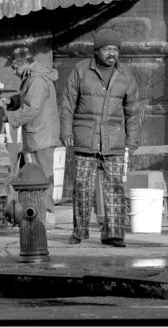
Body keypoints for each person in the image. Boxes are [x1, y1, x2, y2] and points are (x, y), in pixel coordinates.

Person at [60, 28, 142, 248]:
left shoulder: (126, 75)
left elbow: (133, 110)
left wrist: (132, 141)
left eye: (115, 49)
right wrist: (66, 131)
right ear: (96, 51)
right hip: (85, 139)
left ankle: (114, 234)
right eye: (107, 49)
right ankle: (79, 231)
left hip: (114, 141)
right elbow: (68, 103)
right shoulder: (80, 71)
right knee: (82, 187)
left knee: (115, 188)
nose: (112, 53)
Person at [0, 46, 60, 225]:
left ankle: (46, 215)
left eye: (15, 67)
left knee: (43, 177)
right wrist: (12, 101)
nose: (14, 71)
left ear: (24, 63)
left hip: (41, 136)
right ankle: (40, 214)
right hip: (38, 135)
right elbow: (28, 99)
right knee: (37, 177)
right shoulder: (32, 78)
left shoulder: (37, 79)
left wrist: (10, 118)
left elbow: (32, 108)